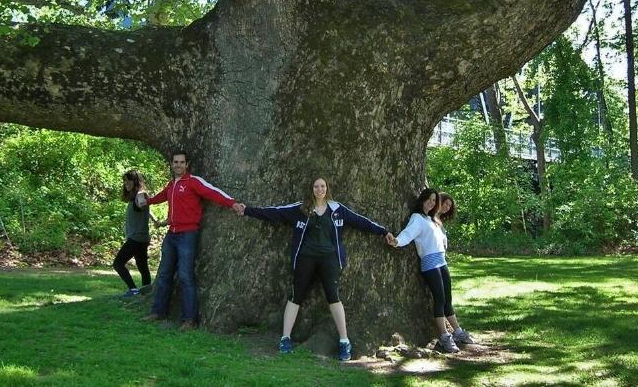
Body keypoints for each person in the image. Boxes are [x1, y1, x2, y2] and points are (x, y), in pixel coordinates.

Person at [236, 176, 394, 361]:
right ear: (311, 189)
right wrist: (247, 210)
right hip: (305, 258)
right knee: (296, 295)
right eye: (316, 186)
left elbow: (361, 221)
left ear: (327, 188)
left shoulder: (337, 209)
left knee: (333, 296)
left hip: (329, 259)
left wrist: (384, 231)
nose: (319, 189)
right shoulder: (300, 209)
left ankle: (344, 341)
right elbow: (274, 213)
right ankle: (285, 338)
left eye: (323, 186)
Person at [143, 150, 245, 330]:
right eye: (175, 162)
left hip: (187, 235)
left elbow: (212, 192)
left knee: (185, 276)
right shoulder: (171, 185)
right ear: (172, 164)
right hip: (171, 235)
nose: (178, 165)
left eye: (182, 162)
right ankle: (158, 312)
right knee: (165, 274)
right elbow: (161, 197)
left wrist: (232, 203)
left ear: (187, 164)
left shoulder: (193, 182)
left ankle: (189, 320)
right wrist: (148, 201)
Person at [386, 187, 474, 353]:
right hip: (429, 264)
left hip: (441, 262)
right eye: (429, 199)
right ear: (423, 200)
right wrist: (396, 241)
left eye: (434, 201)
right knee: (439, 299)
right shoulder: (417, 218)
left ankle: (458, 331)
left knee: (447, 298)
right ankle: (444, 336)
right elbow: (408, 234)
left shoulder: (432, 219)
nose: (431, 203)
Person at [113, 169, 157, 297]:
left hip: (136, 239)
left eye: (129, 180)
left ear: (136, 181)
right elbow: (146, 210)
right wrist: (155, 220)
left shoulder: (140, 195)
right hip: (142, 239)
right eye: (125, 181)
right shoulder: (134, 197)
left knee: (118, 263)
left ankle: (133, 290)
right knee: (143, 267)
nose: (126, 183)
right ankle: (146, 291)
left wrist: (143, 200)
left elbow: (142, 202)